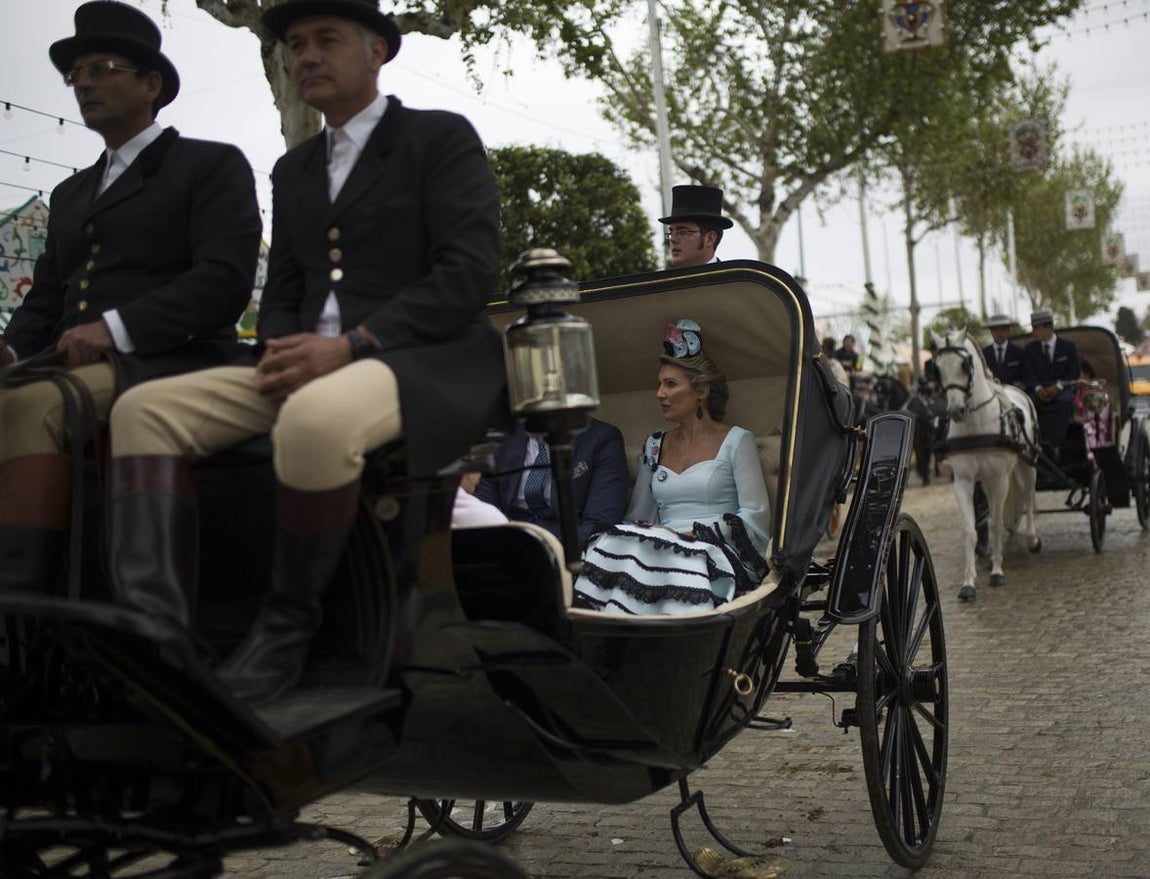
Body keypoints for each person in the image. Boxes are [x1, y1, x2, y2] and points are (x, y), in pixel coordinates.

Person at [105, 0, 505, 705]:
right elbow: (285, 287)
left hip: (419, 360)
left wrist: (353, 345)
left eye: (326, 39)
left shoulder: (438, 139)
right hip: (309, 364)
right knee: (141, 410)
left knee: (315, 419)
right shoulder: (293, 171)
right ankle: (159, 636)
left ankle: (288, 628)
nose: (306, 56)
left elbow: (467, 274)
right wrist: (278, 349)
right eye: (294, 45)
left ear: (377, 50)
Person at [0, 1, 261, 594]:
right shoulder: (70, 193)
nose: (85, 85)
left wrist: (115, 329)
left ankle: (23, 614)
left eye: (102, 68)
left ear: (151, 84)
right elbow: (45, 302)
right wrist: (10, 353)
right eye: (77, 75)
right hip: (74, 366)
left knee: (26, 408)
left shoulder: (209, 165)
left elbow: (222, 283)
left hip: (170, 362)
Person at [572, 319, 771, 615]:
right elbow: (638, 514)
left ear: (700, 390)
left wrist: (694, 535)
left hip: (717, 551)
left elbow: (755, 517)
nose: (659, 394)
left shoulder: (737, 440)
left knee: (674, 560)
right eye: (659, 384)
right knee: (607, 547)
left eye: (670, 384)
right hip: (662, 547)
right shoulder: (654, 444)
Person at [473, 419, 629, 548]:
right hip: (506, 538)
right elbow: (483, 499)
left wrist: (547, 552)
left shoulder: (602, 437)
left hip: (566, 546)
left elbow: (600, 521)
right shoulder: (502, 435)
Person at [1024, 309, 1079, 445]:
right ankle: (1035, 440)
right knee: (1029, 402)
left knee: (1064, 401)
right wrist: (1038, 389)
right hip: (1040, 390)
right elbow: (1028, 374)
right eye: (1033, 328)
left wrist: (1058, 387)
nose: (1034, 332)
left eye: (1036, 328)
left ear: (1048, 327)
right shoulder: (1030, 349)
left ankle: (1059, 441)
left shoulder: (1068, 347)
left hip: (1063, 388)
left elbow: (1074, 371)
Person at [657, 185, 733, 268]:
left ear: (710, 239)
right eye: (671, 233)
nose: (673, 239)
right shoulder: (662, 280)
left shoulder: (736, 279)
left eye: (683, 232)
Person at [983, 314, 1031, 388]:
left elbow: (1026, 376)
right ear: (991, 331)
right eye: (995, 329)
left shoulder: (1019, 352)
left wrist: (1021, 384)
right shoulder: (984, 354)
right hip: (992, 394)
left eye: (1003, 329)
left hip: (1014, 394)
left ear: (1009, 330)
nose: (999, 333)